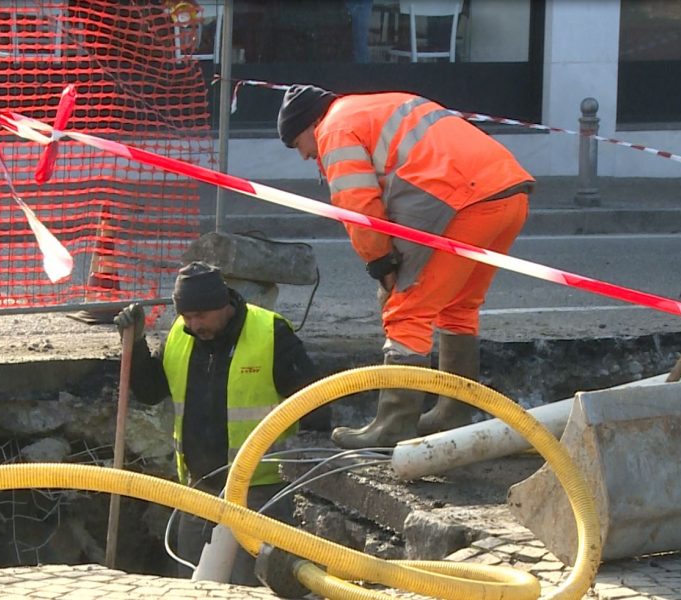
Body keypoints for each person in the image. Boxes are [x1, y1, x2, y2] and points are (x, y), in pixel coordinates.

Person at [276, 84, 534, 448]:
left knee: (407, 311)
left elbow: (358, 206)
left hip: (461, 201)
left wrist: (381, 262)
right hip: (508, 194)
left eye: (297, 145)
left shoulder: (334, 130)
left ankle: (394, 426)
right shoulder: (376, 105)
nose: (304, 156)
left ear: (307, 125)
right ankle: (453, 414)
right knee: (457, 307)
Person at [114, 261, 317, 585]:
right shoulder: (180, 337)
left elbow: (315, 403)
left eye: (202, 316)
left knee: (248, 587)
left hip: (260, 493)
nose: (194, 324)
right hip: (200, 489)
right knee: (193, 585)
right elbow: (151, 392)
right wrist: (136, 344)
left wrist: (308, 476)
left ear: (223, 304)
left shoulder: (270, 334)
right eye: (188, 317)